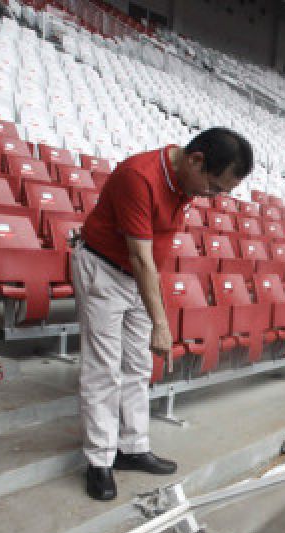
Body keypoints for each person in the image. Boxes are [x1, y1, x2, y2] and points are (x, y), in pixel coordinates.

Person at [72, 128, 254, 501]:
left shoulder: (186, 182)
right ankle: (100, 461)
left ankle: (132, 447)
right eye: (215, 187)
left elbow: (151, 255)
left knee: (137, 365)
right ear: (196, 160)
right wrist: (161, 322)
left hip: (140, 276)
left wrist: (155, 309)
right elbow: (139, 255)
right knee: (104, 369)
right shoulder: (139, 177)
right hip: (104, 270)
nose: (213, 197)